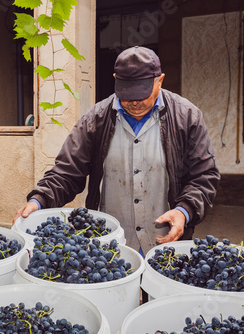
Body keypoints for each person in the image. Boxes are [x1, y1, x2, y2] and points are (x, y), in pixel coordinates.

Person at [13, 46, 220, 255]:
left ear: (160, 81)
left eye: (142, 94)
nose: (134, 102)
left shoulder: (186, 117)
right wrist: (39, 200)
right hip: (109, 245)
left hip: (166, 243)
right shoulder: (95, 120)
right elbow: (66, 172)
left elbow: (204, 176)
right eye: (127, 94)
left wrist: (184, 211)